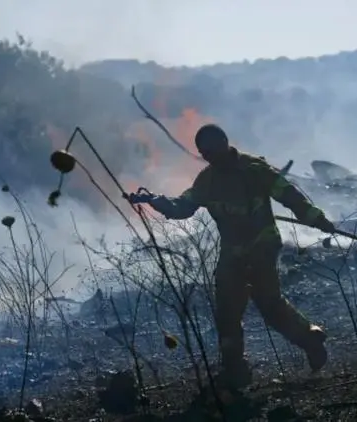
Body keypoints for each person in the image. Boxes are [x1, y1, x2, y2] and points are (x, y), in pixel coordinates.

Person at [138, 124, 336, 389]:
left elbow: (288, 194)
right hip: (232, 250)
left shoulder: (254, 169)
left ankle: (309, 341)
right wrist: (154, 200)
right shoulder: (207, 180)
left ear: (224, 143)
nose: (209, 156)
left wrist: (316, 218)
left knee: (268, 303)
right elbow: (182, 207)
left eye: (212, 149)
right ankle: (235, 369)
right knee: (227, 310)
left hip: (262, 244)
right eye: (204, 152)